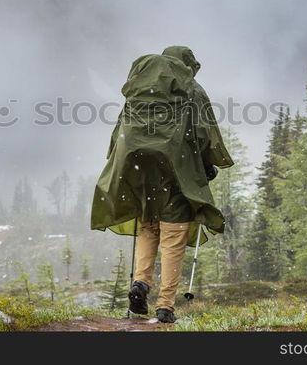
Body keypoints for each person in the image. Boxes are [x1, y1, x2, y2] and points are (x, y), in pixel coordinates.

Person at [91, 45, 234, 323]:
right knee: (173, 235)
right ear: (188, 66)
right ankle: (165, 306)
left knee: (147, 227)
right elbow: (204, 133)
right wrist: (208, 165)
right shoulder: (192, 89)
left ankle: (140, 284)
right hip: (176, 170)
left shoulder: (141, 87)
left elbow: (121, 128)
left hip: (139, 168)